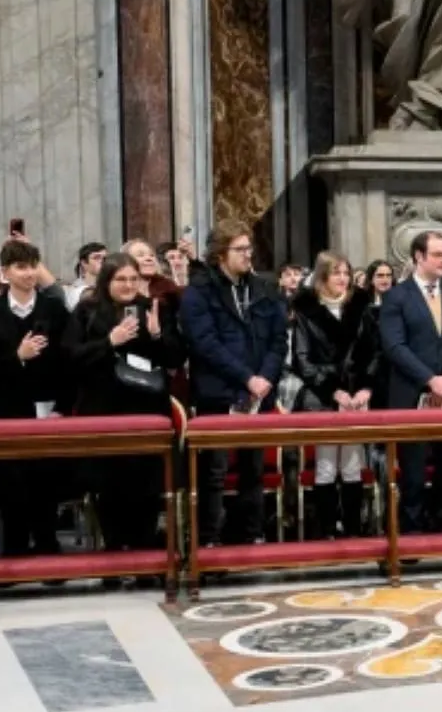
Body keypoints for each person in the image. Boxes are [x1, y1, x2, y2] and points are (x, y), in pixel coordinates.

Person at [63, 254, 186, 551]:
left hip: (146, 406)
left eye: (133, 279)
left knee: (146, 483)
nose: (128, 285)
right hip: (103, 408)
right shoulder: (87, 310)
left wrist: (157, 335)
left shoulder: (154, 307)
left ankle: (144, 549)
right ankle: (115, 549)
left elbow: (175, 357)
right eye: (121, 279)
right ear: (106, 281)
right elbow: (69, 357)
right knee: (109, 485)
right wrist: (109, 342)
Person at [179, 220, 288, 546]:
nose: (248, 254)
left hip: (257, 393)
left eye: (249, 248)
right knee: (214, 471)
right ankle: (209, 538)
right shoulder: (200, 291)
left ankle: (250, 533)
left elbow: (278, 340)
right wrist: (246, 377)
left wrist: (265, 377)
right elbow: (205, 344)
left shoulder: (264, 289)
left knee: (253, 470)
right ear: (220, 254)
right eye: (240, 249)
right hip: (219, 392)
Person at [0, 238, 74, 555]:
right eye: (20, 267)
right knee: (11, 487)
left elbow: (68, 361)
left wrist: (62, 407)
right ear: (5, 272)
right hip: (7, 410)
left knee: (46, 485)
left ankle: (48, 548)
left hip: (47, 408)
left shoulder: (54, 310)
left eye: (32, 266)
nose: (28, 273)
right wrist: (17, 356)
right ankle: (13, 553)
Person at [379, 230, 442, 533]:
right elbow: (394, 346)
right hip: (411, 395)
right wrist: (429, 379)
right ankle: (411, 534)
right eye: (438, 255)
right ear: (418, 257)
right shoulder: (397, 296)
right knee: (413, 471)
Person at [289, 252, 374, 538]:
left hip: (356, 396)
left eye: (346, 273)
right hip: (323, 396)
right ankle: (326, 530)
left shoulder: (361, 307)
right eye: (336, 273)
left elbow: (373, 352)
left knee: (352, 464)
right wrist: (332, 390)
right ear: (322, 276)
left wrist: (364, 387)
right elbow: (302, 360)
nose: (343, 278)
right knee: (325, 465)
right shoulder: (306, 310)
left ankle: (353, 529)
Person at [63, 242, 108, 310]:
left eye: (105, 258)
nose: (102, 261)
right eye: (96, 258)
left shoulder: (110, 286)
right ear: (84, 263)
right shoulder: (75, 290)